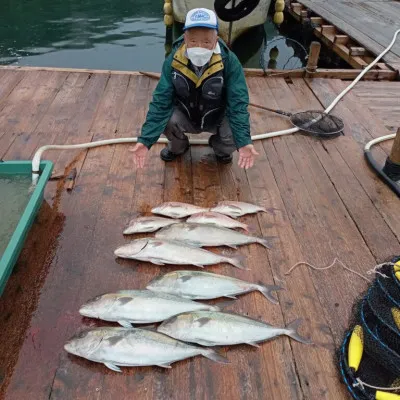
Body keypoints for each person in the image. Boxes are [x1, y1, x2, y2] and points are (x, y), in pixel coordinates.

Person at [130, 7, 258, 169]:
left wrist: (244, 142)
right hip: (186, 114)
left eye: (206, 42)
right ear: (184, 38)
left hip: (216, 116)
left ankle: (221, 149)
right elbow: (161, 101)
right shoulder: (173, 61)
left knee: (233, 131)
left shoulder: (230, 62)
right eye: (193, 41)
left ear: (216, 39)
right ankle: (179, 147)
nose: (199, 47)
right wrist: (145, 140)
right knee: (167, 120)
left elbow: (238, 103)